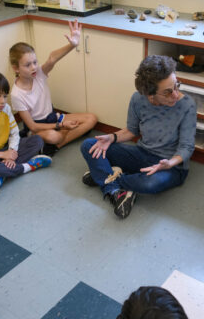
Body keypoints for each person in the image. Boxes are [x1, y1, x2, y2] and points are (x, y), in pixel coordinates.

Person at [80, 55, 197, 219]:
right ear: (150, 95)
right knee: (89, 145)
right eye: (168, 92)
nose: (175, 94)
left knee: (150, 183)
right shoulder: (138, 99)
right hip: (142, 154)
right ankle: (115, 188)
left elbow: (186, 147)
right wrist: (112, 138)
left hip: (171, 167)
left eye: (176, 85)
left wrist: (169, 163)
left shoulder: (187, 105)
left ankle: (105, 177)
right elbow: (131, 131)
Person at [9, 19, 97, 156]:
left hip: (53, 117)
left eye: (35, 62)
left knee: (91, 119)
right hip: (38, 128)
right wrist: (61, 126)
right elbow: (32, 126)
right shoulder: (16, 94)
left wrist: (72, 45)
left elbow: (52, 59)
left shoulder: (38, 74)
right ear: (16, 68)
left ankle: (56, 145)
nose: (33, 67)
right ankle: (55, 139)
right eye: (27, 65)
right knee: (53, 136)